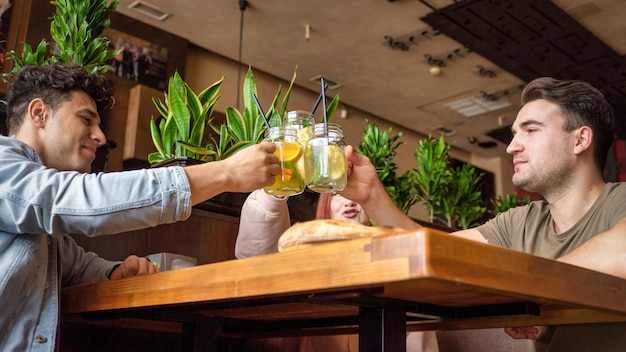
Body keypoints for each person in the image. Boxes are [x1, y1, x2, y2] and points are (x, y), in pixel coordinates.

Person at [0, 63, 279, 351]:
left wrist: (115, 271)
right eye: (86, 119)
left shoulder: (37, 220)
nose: (101, 137)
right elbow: (79, 197)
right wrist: (226, 173)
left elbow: (74, 266)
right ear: (39, 113)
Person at [339, 77, 626, 352]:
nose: (512, 146)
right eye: (515, 134)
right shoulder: (520, 222)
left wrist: (527, 296)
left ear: (580, 140)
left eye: (532, 130)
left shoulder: (620, 201)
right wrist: (371, 196)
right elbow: (434, 253)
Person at [236, 190, 439, 352]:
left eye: (355, 196)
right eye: (336, 194)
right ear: (325, 206)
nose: (349, 202)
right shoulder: (302, 257)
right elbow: (256, 260)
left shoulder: (395, 260)